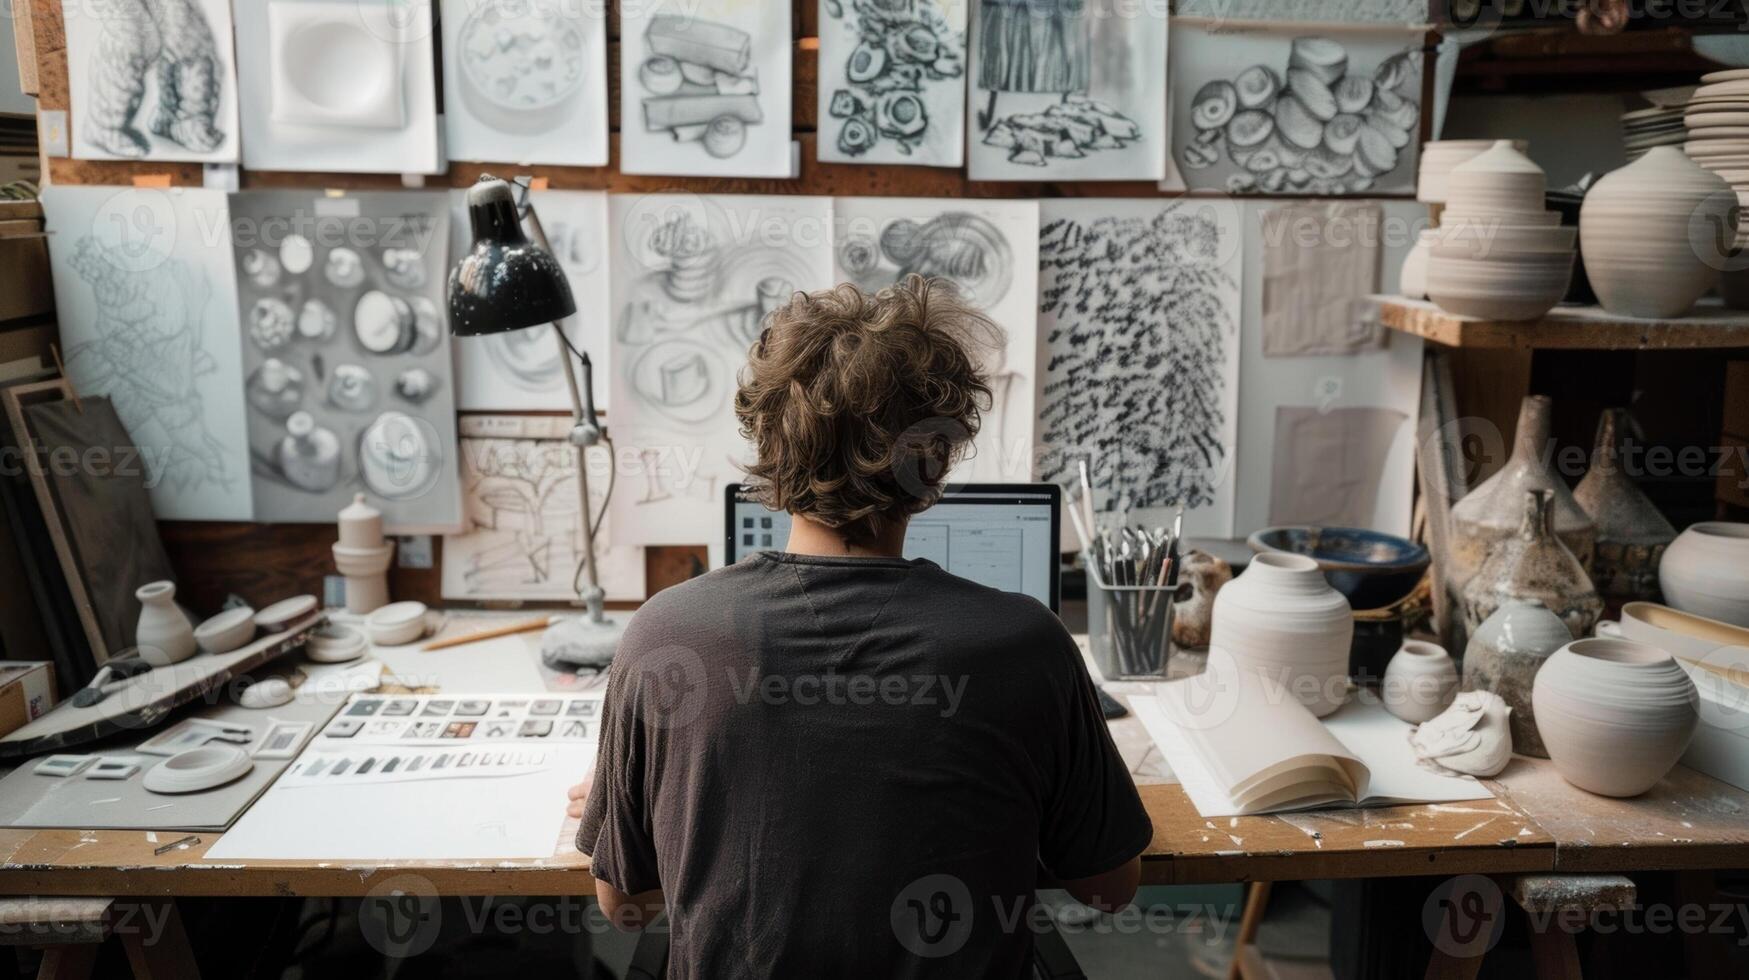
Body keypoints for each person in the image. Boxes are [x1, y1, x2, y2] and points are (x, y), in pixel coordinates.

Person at [568, 276, 1151, 978]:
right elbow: (1109, 888)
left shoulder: (663, 634)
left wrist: (654, 798)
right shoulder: (1024, 644)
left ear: (768, 441)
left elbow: (626, 907)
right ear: (935, 459)